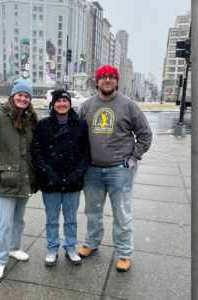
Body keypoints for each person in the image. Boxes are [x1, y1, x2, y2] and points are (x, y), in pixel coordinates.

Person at [77, 65, 152, 272]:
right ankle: (91, 242)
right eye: (103, 77)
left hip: (120, 170)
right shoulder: (87, 105)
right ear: (97, 82)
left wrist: (134, 157)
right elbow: (77, 135)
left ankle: (124, 252)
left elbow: (145, 134)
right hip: (91, 170)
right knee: (92, 212)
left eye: (111, 77)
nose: (107, 80)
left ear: (116, 81)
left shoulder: (129, 106)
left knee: (121, 214)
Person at [0, 78, 38, 280]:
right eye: (20, 95)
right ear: (13, 96)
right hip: (5, 180)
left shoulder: (30, 120)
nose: (23, 98)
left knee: (18, 220)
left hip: (24, 180)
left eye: (26, 96)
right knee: (4, 223)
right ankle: (0, 261)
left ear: (29, 100)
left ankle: (13, 248)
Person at [32, 89, 90, 267]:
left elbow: (85, 153)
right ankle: (52, 248)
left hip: (73, 182)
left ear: (70, 104)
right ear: (53, 103)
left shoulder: (80, 125)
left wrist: (76, 175)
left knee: (71, 218)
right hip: (51, 183)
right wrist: (50, 175)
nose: (62, 104)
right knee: (51, 219)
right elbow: (37, 152)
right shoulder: (44, 125)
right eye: (59, 101)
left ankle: (70, 246)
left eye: (65, 101)